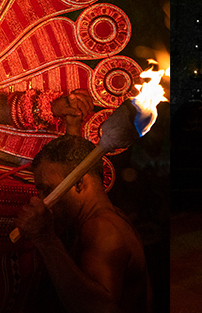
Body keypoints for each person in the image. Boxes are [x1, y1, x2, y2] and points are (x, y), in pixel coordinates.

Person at [14, 131, 150, 313]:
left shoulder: (103, 229)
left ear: (78, 184)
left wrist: (44, 239)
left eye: (47, 190)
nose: (42, 200)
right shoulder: (105, 221)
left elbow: (100, 309)